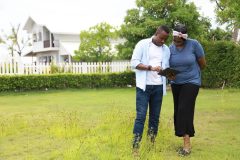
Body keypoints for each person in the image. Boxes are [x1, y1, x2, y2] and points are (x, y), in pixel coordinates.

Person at [130, 25, 171, 153]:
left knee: (155, 118)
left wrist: (169, 74)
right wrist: (151, 68)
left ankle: (150, 145)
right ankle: (135, 148)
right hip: (144, 87)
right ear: (156, 33)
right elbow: (134, 63)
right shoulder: (142, 44)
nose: (163, 41)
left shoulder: (166, 50)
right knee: (141, 117)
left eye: (165, 39)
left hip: (158, 87)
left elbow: (166, 67)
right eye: (161, 38)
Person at [169, 24, 206, 156]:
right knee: (178, 111)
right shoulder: (170, 48)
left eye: (179, 40)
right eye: (175, 39)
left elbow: (202, 63)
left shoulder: (194, 44)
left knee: (184, 110)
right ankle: (183, 136)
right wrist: (169, 75)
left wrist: (192, 74)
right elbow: (168, 66)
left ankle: (187, 145)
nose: (176, 42)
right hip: (176, 83)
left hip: (192, 81)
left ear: (184, 38)